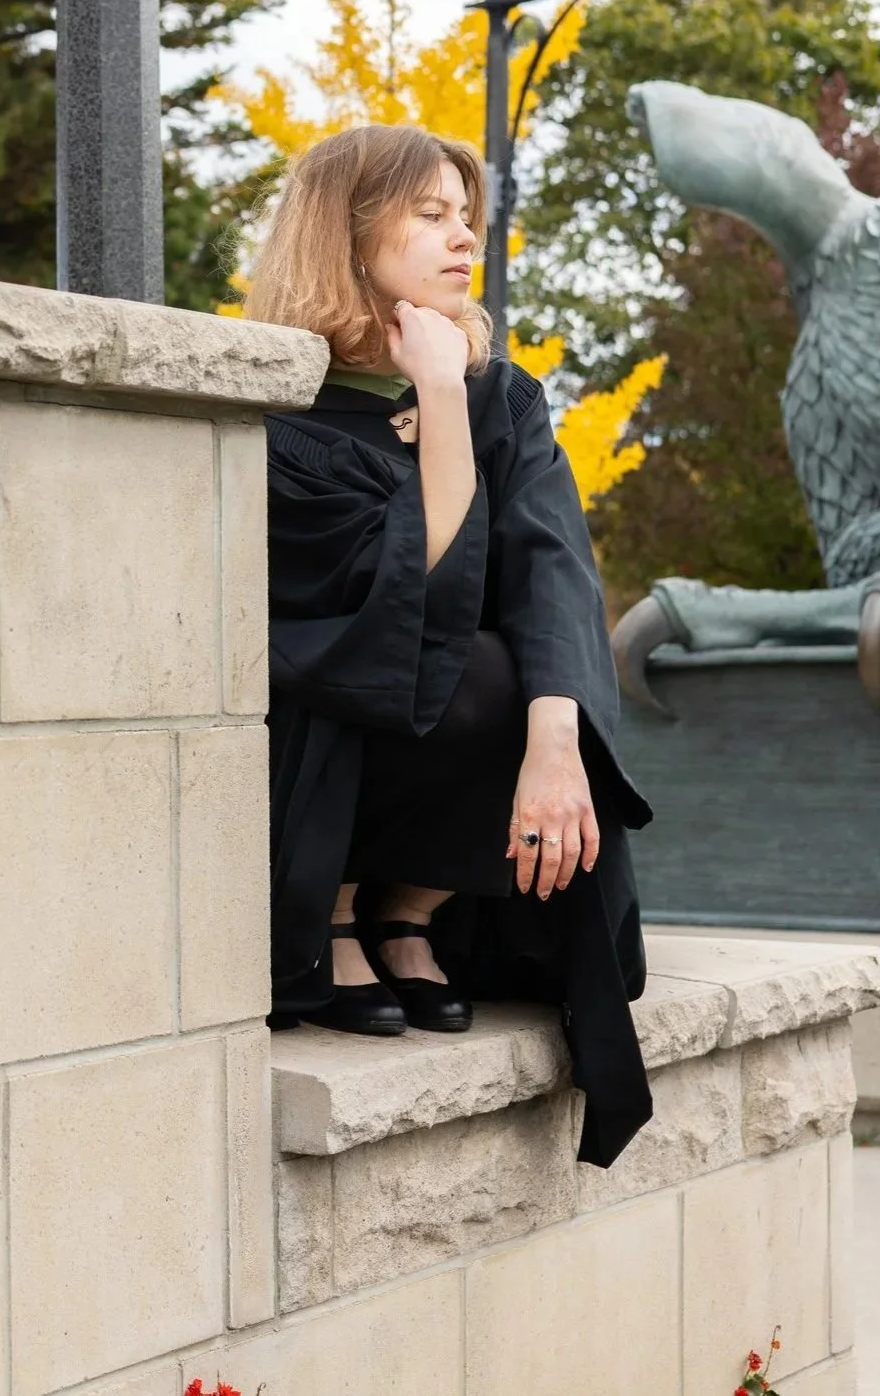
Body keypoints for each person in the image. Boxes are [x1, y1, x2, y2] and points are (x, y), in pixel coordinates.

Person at [245, 123, 656, 1167]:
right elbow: (404, 603)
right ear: (345, 232)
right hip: (324, 744)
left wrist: (556, 743)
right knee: (463, 668)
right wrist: (433, 391)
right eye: (431, 214)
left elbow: (553, 572)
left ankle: (410, 906)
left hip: (449, 765)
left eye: (465, 216)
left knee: (542, 682)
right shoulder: (275, 408)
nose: (464, 238)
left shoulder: (501, 397)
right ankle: (340, 910)